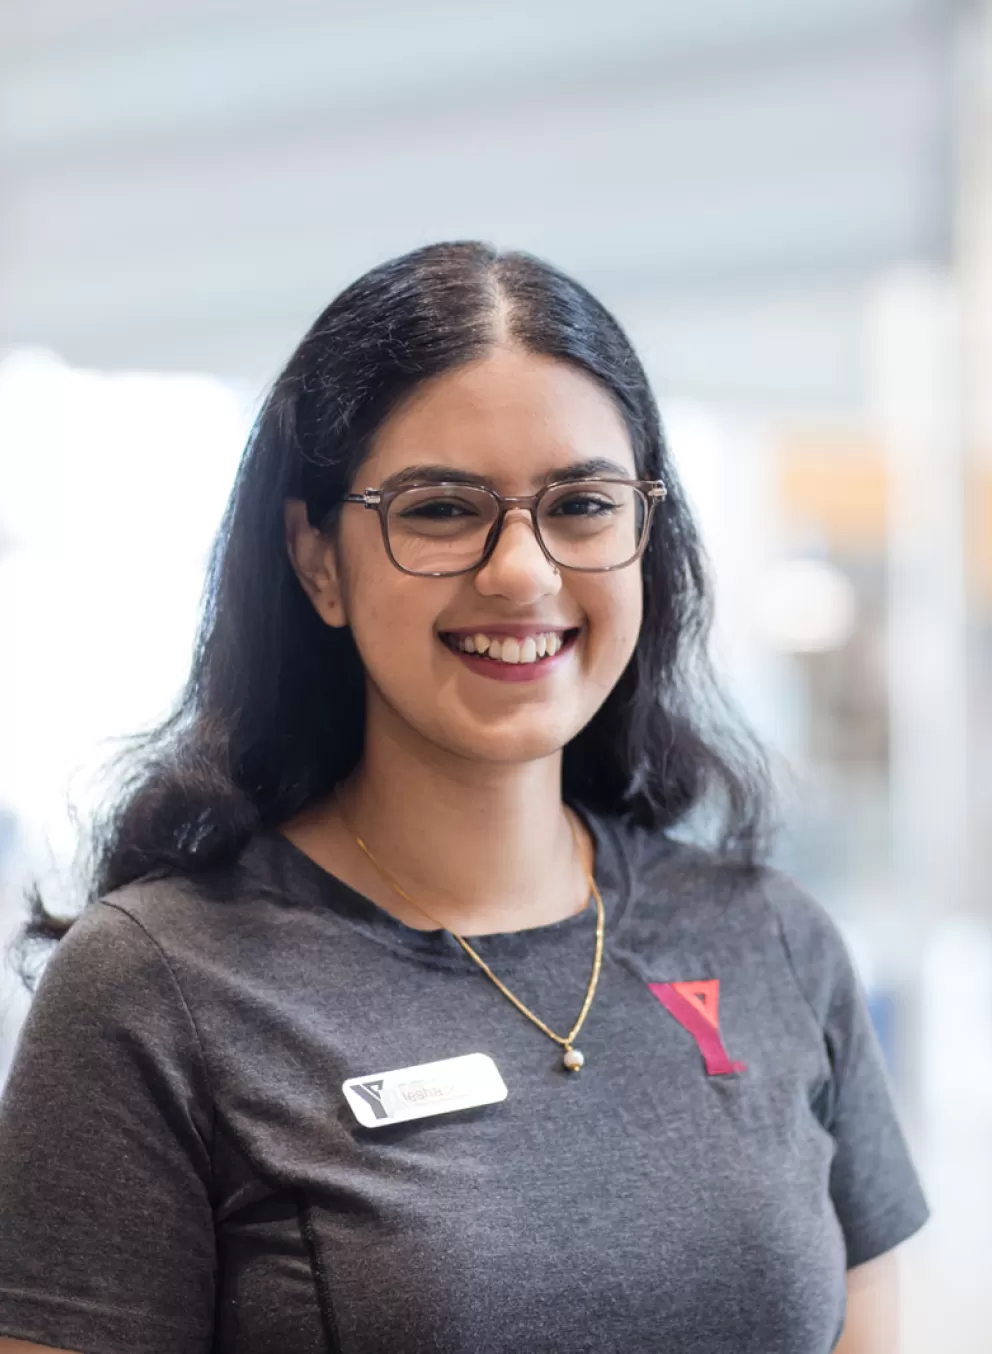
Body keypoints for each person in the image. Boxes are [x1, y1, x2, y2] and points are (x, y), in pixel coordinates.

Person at [0, 242, 928, 1354]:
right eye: (441, 509)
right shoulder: (159, 988)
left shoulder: (772, 940)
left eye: (581, 503)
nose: (521, 572)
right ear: (317, 560)